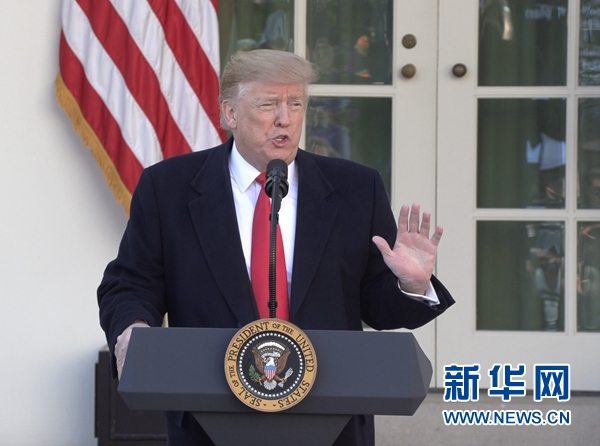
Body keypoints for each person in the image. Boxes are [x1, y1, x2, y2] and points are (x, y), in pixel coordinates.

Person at [98, 49, 455, 446]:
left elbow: (377, 305)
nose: (285, 119)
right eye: (269, 105)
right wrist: (132, 330)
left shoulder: (356, 188)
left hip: (331, 418)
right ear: (230, 114)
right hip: (208, 417)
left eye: (295, 104)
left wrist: (411, 285)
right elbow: (130, 284)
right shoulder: (168, 187)